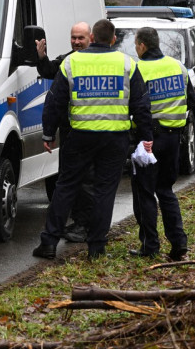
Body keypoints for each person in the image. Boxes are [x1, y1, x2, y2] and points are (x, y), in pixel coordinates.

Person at [32, 19, 154, 260]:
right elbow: (141, 104)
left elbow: (55, 101)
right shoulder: (127, 64)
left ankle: (48, 243)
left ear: (92, 38)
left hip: (80, 136)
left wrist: (49, 133)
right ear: (113, 40)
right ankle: (96, 247)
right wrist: (146, 137)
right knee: (104, 192)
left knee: (65, 187)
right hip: (115, 139)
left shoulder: (72, 62)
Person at [130, 27, 195, 261]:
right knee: (166, 191)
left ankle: (150, 246)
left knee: (145, 193)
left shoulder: (139, 69)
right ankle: (179, 244)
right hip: (173, 138)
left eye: (136, 45)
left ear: (142, 46)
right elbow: (190, 100)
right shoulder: (178, 67)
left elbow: (137, 107)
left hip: (149, 140)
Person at [35, 22, 94, 243]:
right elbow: (51, 77)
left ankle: (85, 227)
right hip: (72, 132)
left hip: (95, 132)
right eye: (73, 38)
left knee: (86, 182)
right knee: (73, 181)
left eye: (81, 38)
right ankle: (82, 225)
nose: (76, 42)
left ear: (91, 38)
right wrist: (41, 58)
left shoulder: (101, 60)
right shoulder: (68, 61)